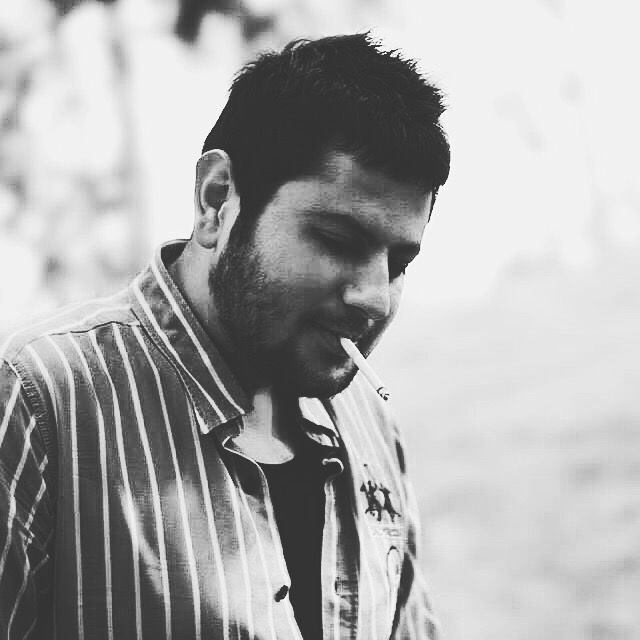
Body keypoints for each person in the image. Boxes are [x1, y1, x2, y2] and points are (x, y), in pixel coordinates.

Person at [0, 33, 450, 639]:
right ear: (217, 200)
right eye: (338, 241)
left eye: (398, 263)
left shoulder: (368, 420)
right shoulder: (40, 400)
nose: (374, 297)